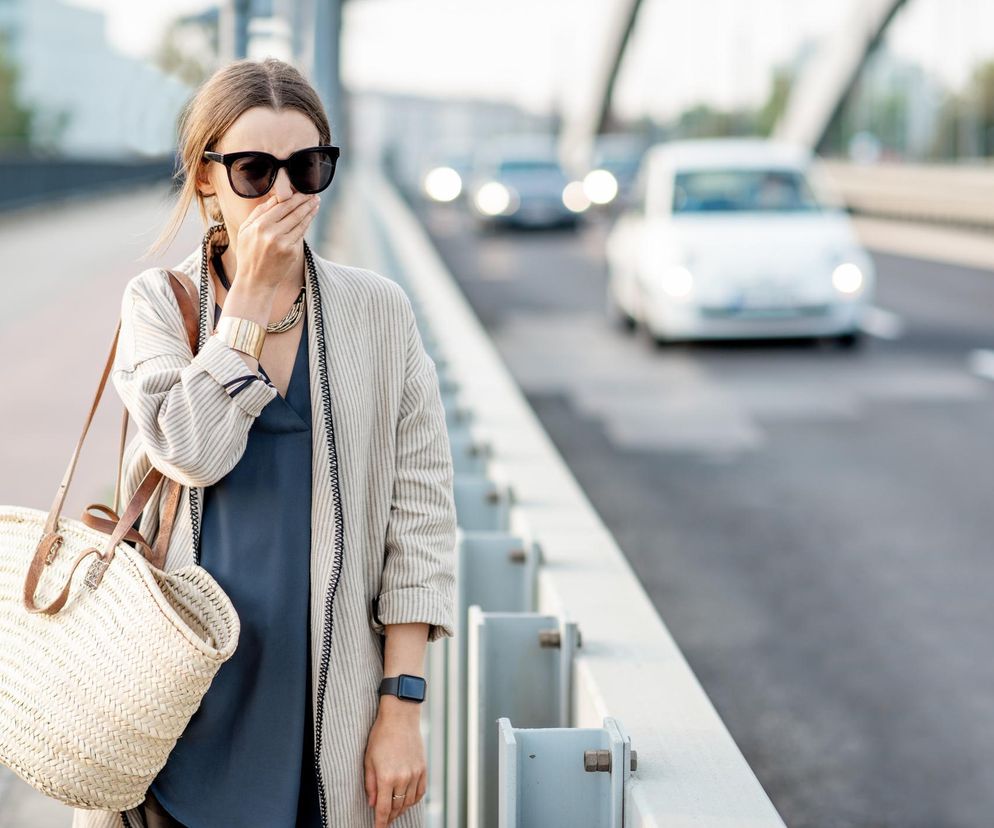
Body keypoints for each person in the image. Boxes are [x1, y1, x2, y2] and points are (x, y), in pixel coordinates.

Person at [70, 57, 456, 828]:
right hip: (181, 698)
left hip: (331, 705)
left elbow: (419, 518)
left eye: (307, 168)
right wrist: (245, 304)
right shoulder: (160, 305)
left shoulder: (378, 312)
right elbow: (190, 451)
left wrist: (402, 705)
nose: (285, 194)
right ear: (206, 177)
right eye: (254, 171)